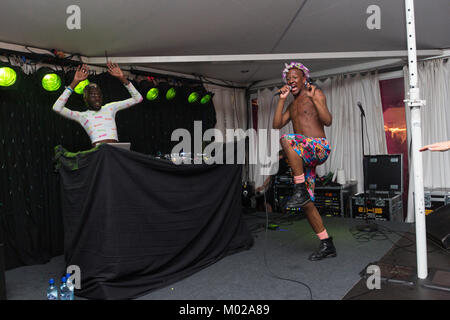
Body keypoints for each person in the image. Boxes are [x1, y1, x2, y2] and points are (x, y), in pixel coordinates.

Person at [273, 62, 335, 261]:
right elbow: (276, 124)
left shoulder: (315, 93)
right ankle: (327, 243)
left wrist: (313, 96)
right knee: (306, 202)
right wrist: (282, 100)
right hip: (304, 156)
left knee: (287, 139)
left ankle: (299, 188)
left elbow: (327, 120)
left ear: (304, 78)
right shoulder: (291, 106)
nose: (290, 80)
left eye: (294, 77)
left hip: (319, 147)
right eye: (288, 78)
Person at [52, 62, 143, 147]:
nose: (97, 98)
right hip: (100, 155)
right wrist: (74, 82)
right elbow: (57, 108)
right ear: (86, 99)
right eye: (92, 95)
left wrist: (122, 78)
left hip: (116, 152)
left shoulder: (110, 108)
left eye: (99, 95)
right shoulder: (82, 116)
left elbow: (138, 99)